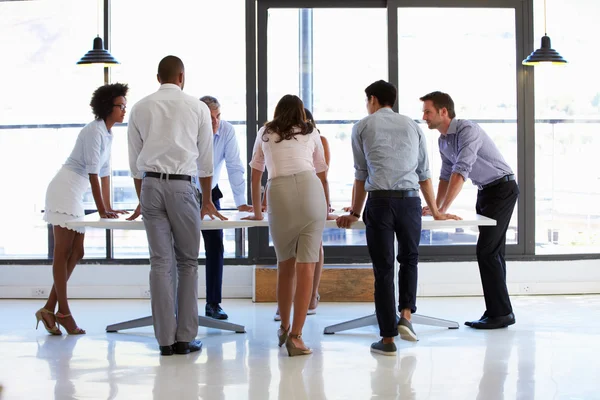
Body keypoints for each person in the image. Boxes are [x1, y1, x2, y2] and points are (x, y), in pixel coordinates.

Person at [336, 80, 459, 356]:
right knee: (410, 259)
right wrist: (436, 211)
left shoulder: (363, 126)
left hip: (379, 203)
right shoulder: (413, 126)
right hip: (410, 201)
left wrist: (355, 212)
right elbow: (424, 175)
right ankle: (406, 316)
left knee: (383, 270)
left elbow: (361, 174)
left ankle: (388, 339)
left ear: (373, 100)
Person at [127, 55, 225, 356]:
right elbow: (206, 162)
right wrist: (207, 199)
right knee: (187, 263)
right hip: (183, 186)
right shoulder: (197, 107)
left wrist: (142, 198)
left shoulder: (140, 107)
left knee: (160, 263)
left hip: (151, 186)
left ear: (159, 77)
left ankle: (164, 341)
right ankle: (185, 338)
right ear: (181, 77)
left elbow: (134, 162)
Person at [419, 91, 519, 330]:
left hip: (502, 189)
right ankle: (498, 311)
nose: (424, 117)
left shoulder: (467, 131)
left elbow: (461, 171)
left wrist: (442, 209)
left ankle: (501, 313)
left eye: (427, 111)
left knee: (487, 252)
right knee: (493, 253)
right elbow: (444, 176)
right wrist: (436, 208)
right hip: (485, 190)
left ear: (444, 112)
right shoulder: (443, 140)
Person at [38, 83, 129, 336]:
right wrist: (101, 210)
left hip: (74, 194)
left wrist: (109, 207)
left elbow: (105, 173)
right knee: (63, 252)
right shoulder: (93, 132)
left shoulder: (108, 134)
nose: (124, 110)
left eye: (125, 105)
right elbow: (92, 173)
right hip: (64, 190)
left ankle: (49, 308)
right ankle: (63, 313)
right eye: (120, 106)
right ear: (106, 107)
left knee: (77, 251)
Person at [244, 95, 332, 357]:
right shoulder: (312, 131)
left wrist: (258, 211)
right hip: (310, 190)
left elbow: (256, 172)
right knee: (307, 265)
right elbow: (320, 171)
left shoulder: (265, 132)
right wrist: (327, 205)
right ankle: (296, 336)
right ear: (301, 114)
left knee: (285, 264)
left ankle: (283, 327)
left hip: (279, 191)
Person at [272, 108, 330, 321]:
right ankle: (288, 307)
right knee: (290, 253)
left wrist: (326, 205)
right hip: (290, 194)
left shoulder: (317, 138)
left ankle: (312, 295)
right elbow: (274, 170)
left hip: (311, 194)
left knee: (313, 247)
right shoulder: (276, 137)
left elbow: (323, 175)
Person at [198, 95, 252, 320]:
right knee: (185, 248)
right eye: (210, 117)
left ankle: (213, 304)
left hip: (211, 193)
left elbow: (234, 165)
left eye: (218, 116)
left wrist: (241, 201)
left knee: (216, 246)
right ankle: (180, 305)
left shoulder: (227, 131)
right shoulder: (189, 130)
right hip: (186, 191)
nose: (215, 122)